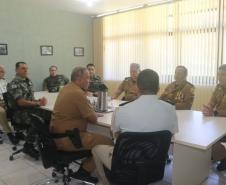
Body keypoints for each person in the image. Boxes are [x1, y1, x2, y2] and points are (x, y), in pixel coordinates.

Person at [92, 69, 178, 185]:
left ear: (137, 87)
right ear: (158, 88)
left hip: (125, 165)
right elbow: (170, 135)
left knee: (96, 149)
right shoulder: (170, 109)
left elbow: (115, 135)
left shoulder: (122, 110)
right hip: (153, 165)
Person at [49, 67, 113, 183]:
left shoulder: (67, 88)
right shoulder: (77, 93)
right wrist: (92, 113)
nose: (90, 80)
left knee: (96, 137)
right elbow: (93, 119)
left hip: (58, 136)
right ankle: (84, 171)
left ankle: (86, 167)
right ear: (79, 79)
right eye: (87, 78)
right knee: (108, 141)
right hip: (69, 138)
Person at [7, 62, 51, 158]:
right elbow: (21, 102)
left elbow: (29, 98)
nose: (26, 70)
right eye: (23, 68)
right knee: (39, 120)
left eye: (27, 68)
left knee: (49, 115)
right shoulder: (14, 83)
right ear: (16, 70)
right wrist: (37, 103)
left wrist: (38, 100)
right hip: (19, 113)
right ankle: (28, 145)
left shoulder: (28, 81)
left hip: (29, 110)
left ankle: (46, 143)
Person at [202, 64, 226, 171]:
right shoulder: (218, 87)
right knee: (206, 130)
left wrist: (215, 112)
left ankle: (223, 157)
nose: (219, 77)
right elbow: (212, 102)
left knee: (219, 137)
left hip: (222, 119)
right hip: (219, 120)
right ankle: (214, 153)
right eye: (218, 74)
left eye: (223, 74)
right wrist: (208, 108)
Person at [0, 65, 18, 144]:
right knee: (2, 112)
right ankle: (9, 133)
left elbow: (9, 93)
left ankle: (18, 131)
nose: (4, 73)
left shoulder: (4, 81)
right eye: (2, 71)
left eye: (4, 71)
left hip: (6, 101)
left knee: (17, 108)